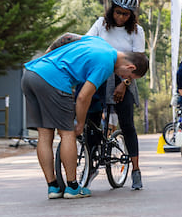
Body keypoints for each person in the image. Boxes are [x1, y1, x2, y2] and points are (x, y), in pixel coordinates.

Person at [22, 35, 148, 199]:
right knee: (67, 133)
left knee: (44, 135)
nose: (125, 79)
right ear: (130, 67)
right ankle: (73, 187)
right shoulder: (106, 63)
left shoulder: (99, 43)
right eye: (128, 77)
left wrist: (49, 53)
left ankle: (53, 187)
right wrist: (80, 124)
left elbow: (67, 37)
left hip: (31, 74)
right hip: (53, 80)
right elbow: (83, 97)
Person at [86, 0, 147, 190]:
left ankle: (136, 170)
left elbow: (138, 63)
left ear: (131, 15)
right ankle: (91, 161)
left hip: (125, 78)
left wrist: (124, 84)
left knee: (127, 123)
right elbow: (87, 44)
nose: (120, 17)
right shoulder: (100, 25)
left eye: (125, 14)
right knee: (91, 121)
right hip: (100, 76)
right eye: (118, 12)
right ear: (112, 10)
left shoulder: (136, 32)